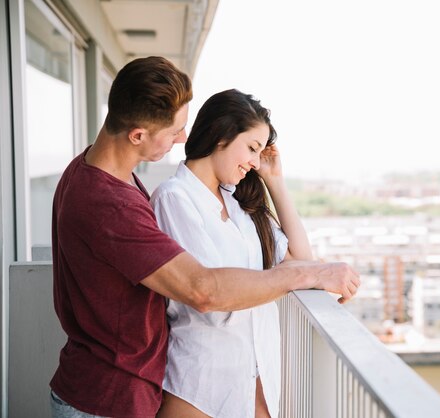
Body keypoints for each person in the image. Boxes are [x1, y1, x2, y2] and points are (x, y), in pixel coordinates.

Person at [49, 56, 360, 418]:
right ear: (137, 135)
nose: (183, 137)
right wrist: (309, 275)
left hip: (116, 388)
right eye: (174, 130)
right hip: (107, 398)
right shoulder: (113, 203)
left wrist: (275, 184)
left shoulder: (93, 172)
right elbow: (203, 290)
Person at [150, 89, 316, 418]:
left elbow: (302, 262)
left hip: (257, 386)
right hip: (199, 390)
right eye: (251, 148)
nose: (255, 162)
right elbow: (212, 302)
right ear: (221, 135)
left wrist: (275, 182)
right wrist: (283, 278)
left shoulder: (242, 208)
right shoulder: (174, 198)